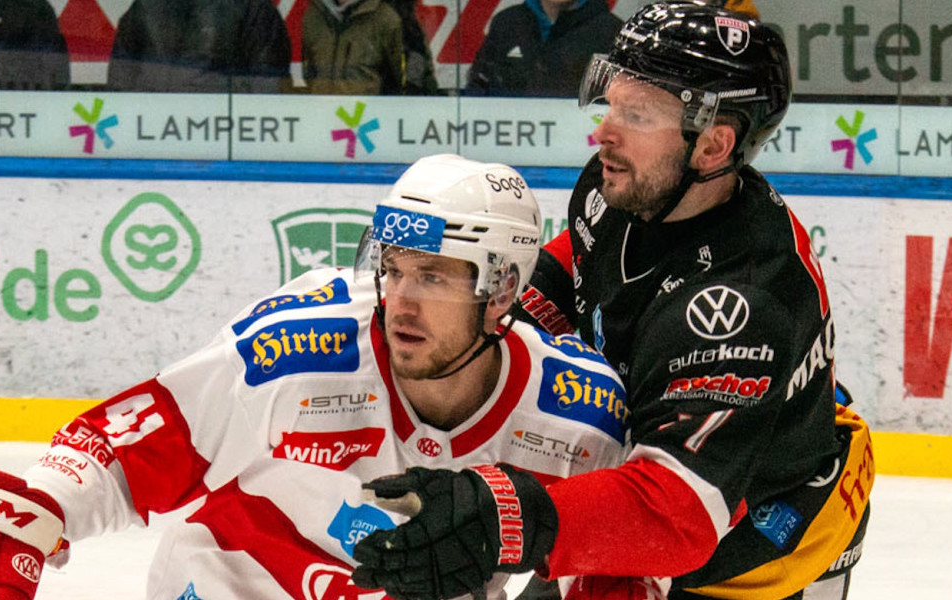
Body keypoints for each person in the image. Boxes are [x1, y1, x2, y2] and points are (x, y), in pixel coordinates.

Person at [0, 154, 631, 600]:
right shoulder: (299, 346)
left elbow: (610, 559)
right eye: (392, 268)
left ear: (503, 289)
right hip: (235, 583)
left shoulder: (577, 414)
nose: (401, 300)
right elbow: (139, 438)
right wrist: (31, 515)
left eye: (434, 277)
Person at [352, 4, 874, 600]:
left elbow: (680, 511)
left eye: (637, 113)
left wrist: (501, 518)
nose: (605, 131)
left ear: (712, 145)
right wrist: (486, 310)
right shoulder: (627, 186)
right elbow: (575, 260)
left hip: (756, 541)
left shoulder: (745, 303)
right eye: (611, 103)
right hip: (652, 489)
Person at [106, 0, 291, 94]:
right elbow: (120, 91)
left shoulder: (253, 7)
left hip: (223, 145)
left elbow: (268, 94)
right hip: (156, 143)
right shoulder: (145, 8)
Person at [464, 0, 620, 97]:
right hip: (511, 138)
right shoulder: (507, 22)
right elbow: (478, 85)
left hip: (578, 142)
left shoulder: (610, 30)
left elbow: (621, 100)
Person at [301, 0, 433, 95]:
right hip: (321, 122)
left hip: (372, 126)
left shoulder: (393, 19)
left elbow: (415, 86)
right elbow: (309, 72)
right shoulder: (315, 14)